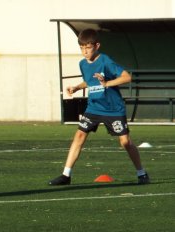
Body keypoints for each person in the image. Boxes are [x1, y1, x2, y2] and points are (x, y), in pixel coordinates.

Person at [49, 28, 150, 186]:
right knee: (79, 136)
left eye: (88, 47)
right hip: (93, 108)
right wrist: (77, 87)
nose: (85, 51)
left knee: (125, 142)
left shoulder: (105, 61)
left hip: (113, 109)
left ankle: (142, 173)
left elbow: (126, 77)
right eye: (82, 48)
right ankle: (66, 175)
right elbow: (90, 81)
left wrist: (107, 83)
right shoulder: (82, 64)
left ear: (97, 46)